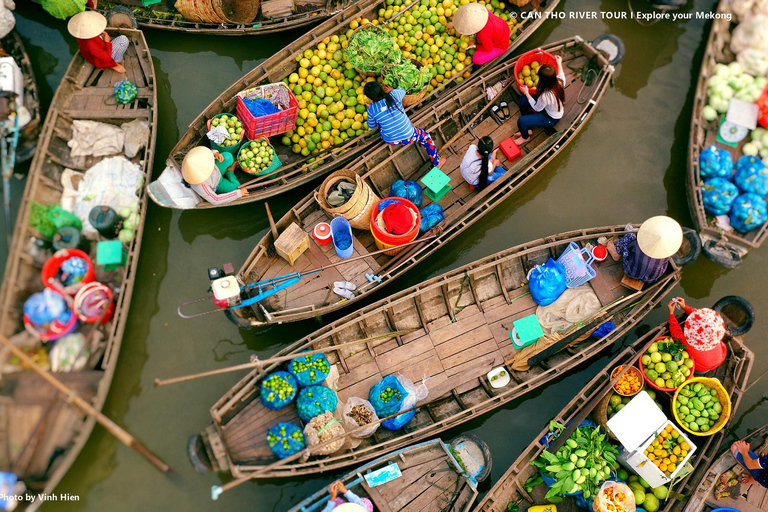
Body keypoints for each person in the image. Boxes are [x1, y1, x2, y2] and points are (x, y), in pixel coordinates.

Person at [364, 81, 440, 168]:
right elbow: (403, 91)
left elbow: (371, 126)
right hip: (409, 135)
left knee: (379, 121)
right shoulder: (394, 95)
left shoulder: (371, 109)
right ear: (382, 88)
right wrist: (391, 90)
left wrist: (371, 108)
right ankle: (436, 162)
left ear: (370, 97)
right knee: (426, 137)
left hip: (391, 140)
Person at [511, 56, 566, 146]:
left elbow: (537, 108)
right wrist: (559, 62)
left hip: (551, 118)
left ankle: (525, 137)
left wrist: (527, 93)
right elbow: (561, 72)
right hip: (550, 108)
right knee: (522, 101)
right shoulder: (560, 81)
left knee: (521, 121)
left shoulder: (546, 95)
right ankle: (528, 129)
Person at [614, 216, 683, 284]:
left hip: (630, 273)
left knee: (629, 237)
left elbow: (627, 247)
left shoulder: (636, 243)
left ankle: (617, 249)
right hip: (652, 279)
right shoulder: (668, 252)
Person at [667, 298, 727, 373]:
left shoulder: (687, 342)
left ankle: (699, 372)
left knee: (697, 368)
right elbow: (700, 316)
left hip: (701, 368)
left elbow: (676, 333)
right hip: (718, 360)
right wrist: (684, 307)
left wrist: (671, 314)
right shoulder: (715, 335)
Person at [181, 146, 247, 205]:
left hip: (217, 169)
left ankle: (227, 170)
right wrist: (238, 194)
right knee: (237, 187)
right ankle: (230, 172)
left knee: (228, 156)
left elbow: (209, 151)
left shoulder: (196, 158)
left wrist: (216, 154)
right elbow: (216, 200)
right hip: (217, 184)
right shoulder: (200, 185)